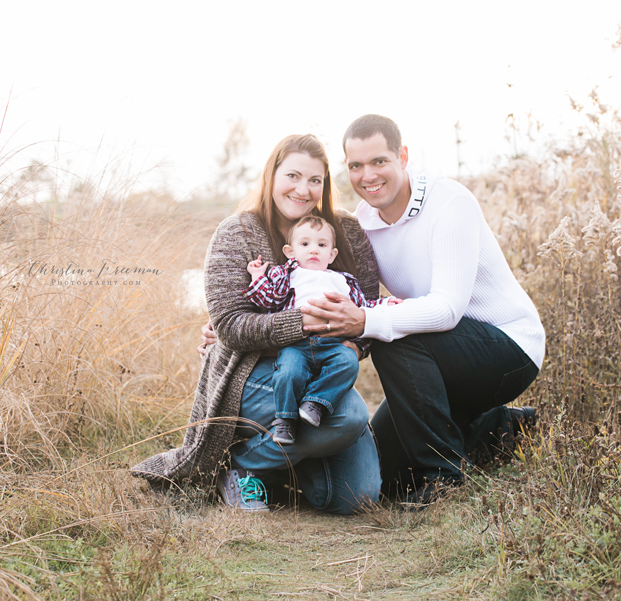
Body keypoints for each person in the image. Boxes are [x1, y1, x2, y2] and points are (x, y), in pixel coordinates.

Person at [300, 114, 545, 504]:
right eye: (356, 166)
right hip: (437, 359)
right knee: (385, 475)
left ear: (403, 156)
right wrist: (227, 321)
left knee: (393, 336)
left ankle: (445, 480)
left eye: (379, 161)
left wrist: (367, 320)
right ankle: (506, 428)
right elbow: (319, 277)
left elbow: (447, 309)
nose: (368, 176)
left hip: (507, 347)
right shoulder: (363, 222)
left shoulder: (450, 204)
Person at [131, 134, 382, 514]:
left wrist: (354, 342)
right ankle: (236, 468)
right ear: (271, 175)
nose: (303, 189)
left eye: (315, 180)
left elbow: (365, 316)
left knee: (355, 499)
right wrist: (310, 321)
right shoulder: (237, 234)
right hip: (248, 374)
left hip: (324, 371)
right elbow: (231, 327)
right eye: (293, 175)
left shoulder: (345, 233)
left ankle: (271, 463)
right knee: (349, 415)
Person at [244, 215, 400, 445]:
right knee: (288, 373)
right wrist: (257, 276)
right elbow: (266, 301)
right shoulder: (285, 274)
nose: (313, 250)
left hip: (332, 344)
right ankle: (285, 421)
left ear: (332, 254)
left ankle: (316, 403)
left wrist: (386, 303)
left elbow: (362, 306)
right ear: (290, 251)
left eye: (322, 245)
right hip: (296, 344)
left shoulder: (342, 280)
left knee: (348, 362)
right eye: (305, 244)